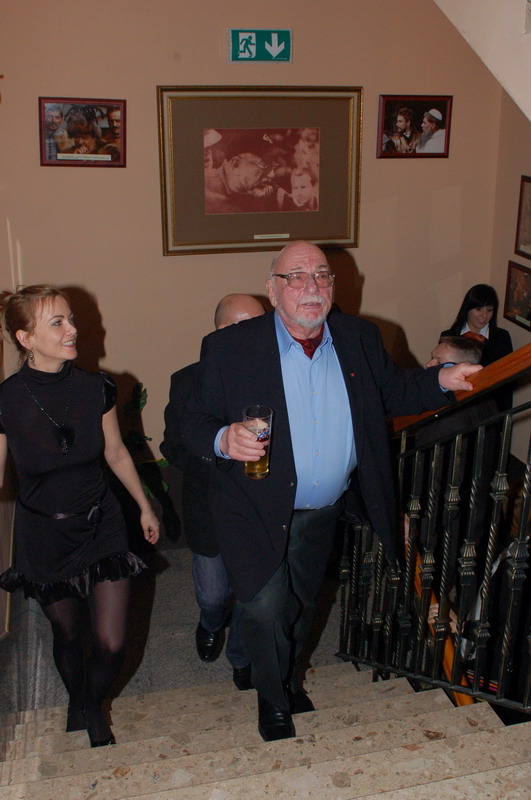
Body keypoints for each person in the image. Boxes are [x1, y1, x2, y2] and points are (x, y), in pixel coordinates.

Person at [183, 240, 481, 742]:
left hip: (322, 509)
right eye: (296, 276)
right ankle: (273, 699)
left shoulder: (358, 336)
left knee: (300, 605)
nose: (312, 287)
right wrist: (222, 438)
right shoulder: (230, 347)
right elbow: (191, 420)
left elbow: (393, 392)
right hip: (252, 505)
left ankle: (286, 678)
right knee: (263, 607)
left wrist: (443, 380)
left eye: (322, 275)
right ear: (272, 289)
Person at [0, 286, 160, 748]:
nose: (73, 330)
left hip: (100, 523)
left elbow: (116, 453)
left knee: (111, 641)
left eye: (70, 319)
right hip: (44, 533)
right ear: (25, 338)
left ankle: (92, 702)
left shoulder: (97, 387)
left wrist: (144, 506)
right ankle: (77, 701)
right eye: (58, 323)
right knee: (68, 634)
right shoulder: (6, 400)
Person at [161, 294, 265, 690]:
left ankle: (241, 656)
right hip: (208, 503)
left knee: (250, 594)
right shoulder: (187, 381)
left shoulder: (277, 377)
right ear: (220, 332)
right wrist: (219, 453)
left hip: (258, 507)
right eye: (245, 326)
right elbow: (172, 447)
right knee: (213, 594)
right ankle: (209, 622)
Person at [441, 283, 513, 409]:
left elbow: (507, 383)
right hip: (457, 408)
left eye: (489, 310)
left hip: (490, 408)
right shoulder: (449, 336)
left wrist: (504, 415)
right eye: (478, 309)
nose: (484, 316)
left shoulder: (502, 337)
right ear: (468, 308)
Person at [204, 131, 287, 214]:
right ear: (236, 165)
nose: (271, 175)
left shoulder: (270, 192)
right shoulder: (203, 190)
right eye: (264, 166)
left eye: (272, 166)